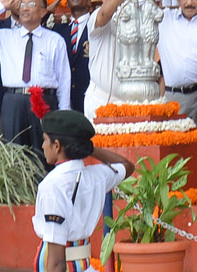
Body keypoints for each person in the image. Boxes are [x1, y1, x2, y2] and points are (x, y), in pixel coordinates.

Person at [31, 110, 136, 272]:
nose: (43, 146)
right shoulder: (97, 176)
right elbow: (127, 166)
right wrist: (88, 149)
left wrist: (80, 146)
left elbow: (57, 263)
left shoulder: (53, 185)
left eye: (45, 140)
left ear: (57, 146)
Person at [0, 0, 71, 151]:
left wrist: (64, 111)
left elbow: (64, 79)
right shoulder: (5, 36)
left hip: (43, 100)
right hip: (13, 100)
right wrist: (0, 6)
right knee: (15, 154)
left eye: (31, 4)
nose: (24, 8)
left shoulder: (54, 40)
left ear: (43, 12)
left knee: (44, 153)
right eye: (22, 4)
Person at [83, 0, 149, 116]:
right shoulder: (97, 15)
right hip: (101, 100)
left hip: (131, 100)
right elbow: (104, 14)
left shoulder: (139, 16)